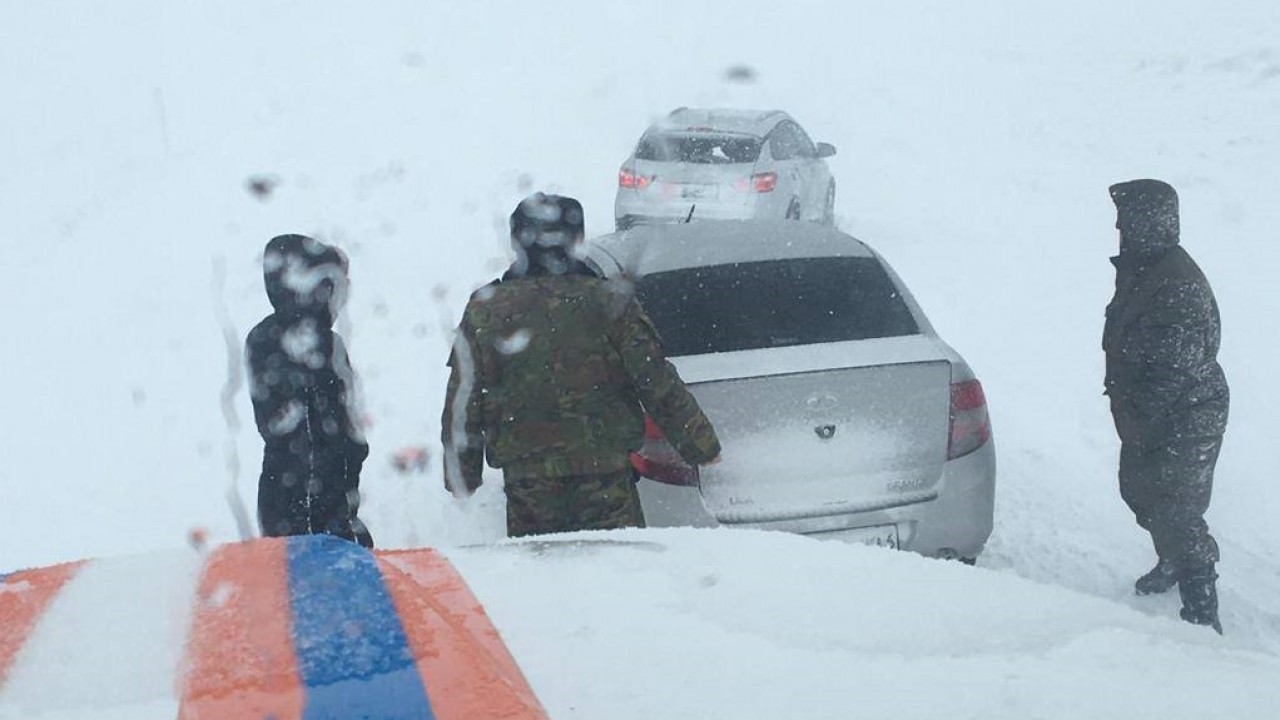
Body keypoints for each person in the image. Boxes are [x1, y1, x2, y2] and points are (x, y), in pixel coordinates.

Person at [441, 192, 721, 537]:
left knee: (542, 573)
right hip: (605, 475)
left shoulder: (486, 309)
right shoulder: (609, 301)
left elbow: (464, 398)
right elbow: (655, 380)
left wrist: (462, 474)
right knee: (616, 572)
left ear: (517, 242)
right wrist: (701, 446)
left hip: (528, 481)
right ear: (576, 240)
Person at [1104, 179, 1229, 633]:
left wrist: (1141, 423)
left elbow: (1171, 372)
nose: (1117, 224)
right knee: (1138, 490)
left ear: (1144, 222)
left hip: (1187, 410)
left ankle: (1201, 608)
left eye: (1125, 216)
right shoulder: (1145, 266)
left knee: (1176, 505)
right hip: (1151, 409)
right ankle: (1173, 559)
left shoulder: (1174, 283)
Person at [246, 234, 373, 547]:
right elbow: (315, 434)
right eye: (332, 286)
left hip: (303, 501)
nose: (340, 298)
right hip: (308, 505)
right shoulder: (304, 343)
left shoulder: (272, 338)